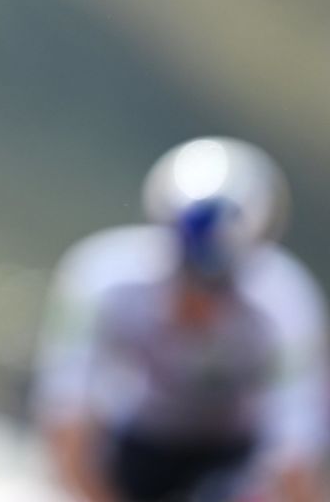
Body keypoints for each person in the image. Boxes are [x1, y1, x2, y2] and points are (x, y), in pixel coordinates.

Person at [32, 137, 329, 502]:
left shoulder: (285, 302)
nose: (197, 302)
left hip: (235, 453)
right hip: (139, 439)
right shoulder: (101, 278)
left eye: (218, 283)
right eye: (183, 274)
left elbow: (296, 451)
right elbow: (65, 417)